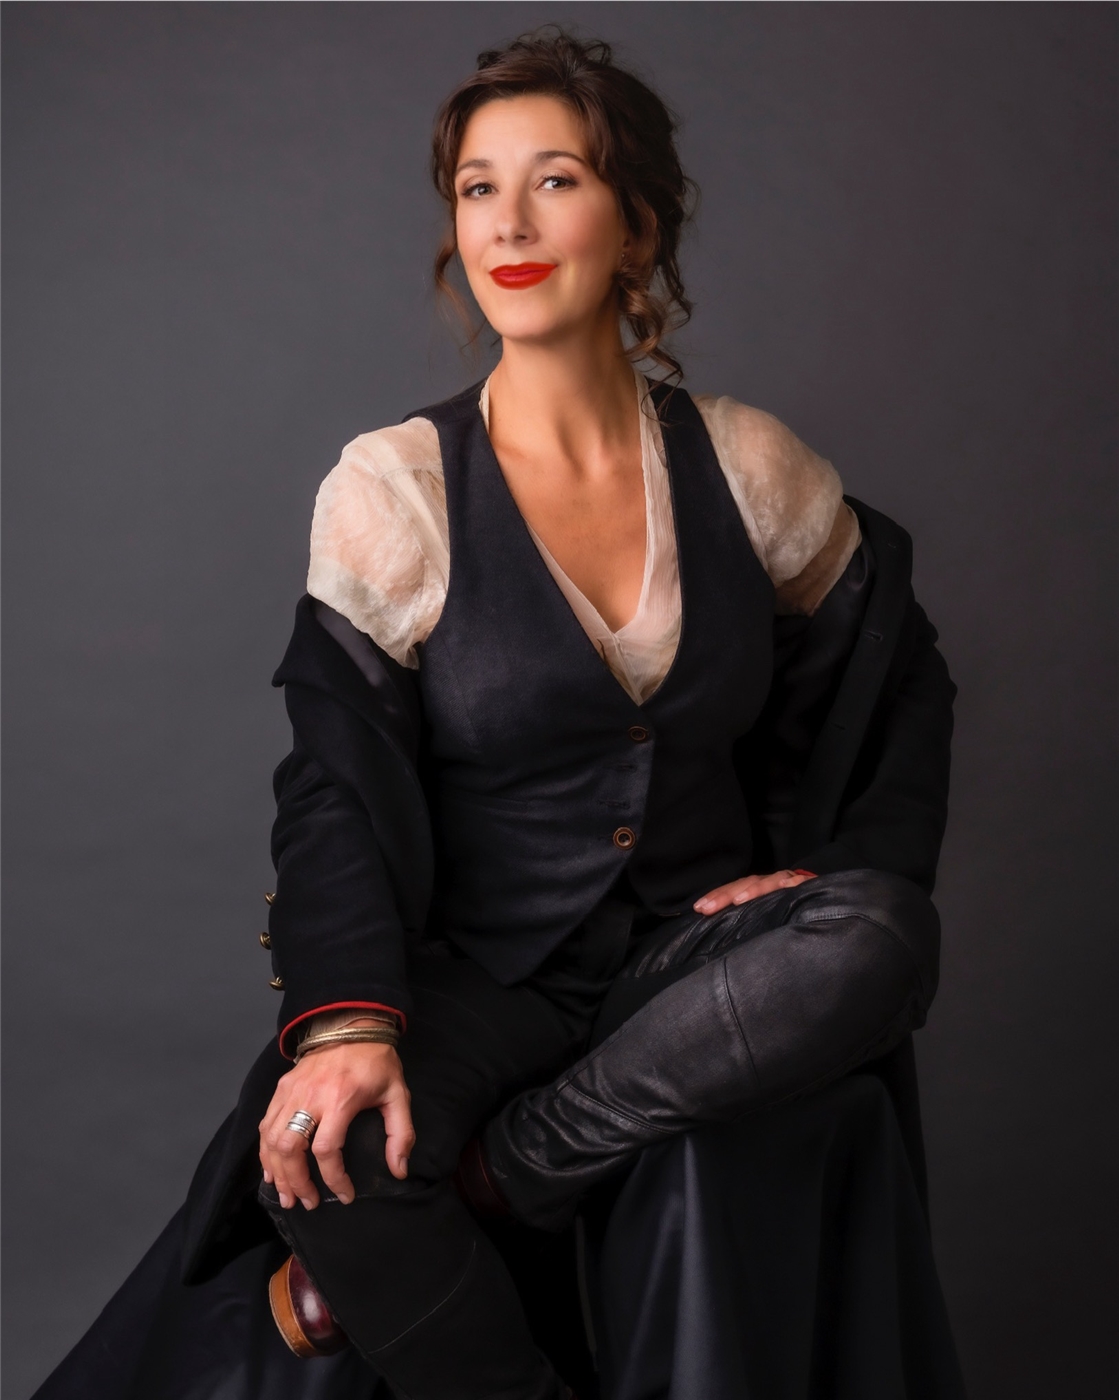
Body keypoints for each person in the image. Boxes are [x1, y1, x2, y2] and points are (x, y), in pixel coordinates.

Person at [36, 29, 965, 1400]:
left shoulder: (746, 465)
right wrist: (349, 1028)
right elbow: (334, 789)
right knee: (332, 1160)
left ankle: (511, 1172)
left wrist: (828, 864)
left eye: (557, 181)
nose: (510, 225)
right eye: (479, 189)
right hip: (490, 972)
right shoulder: (395, 486)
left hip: (687, 962)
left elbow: (898, 671)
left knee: (879, 929)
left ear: (636, 228)